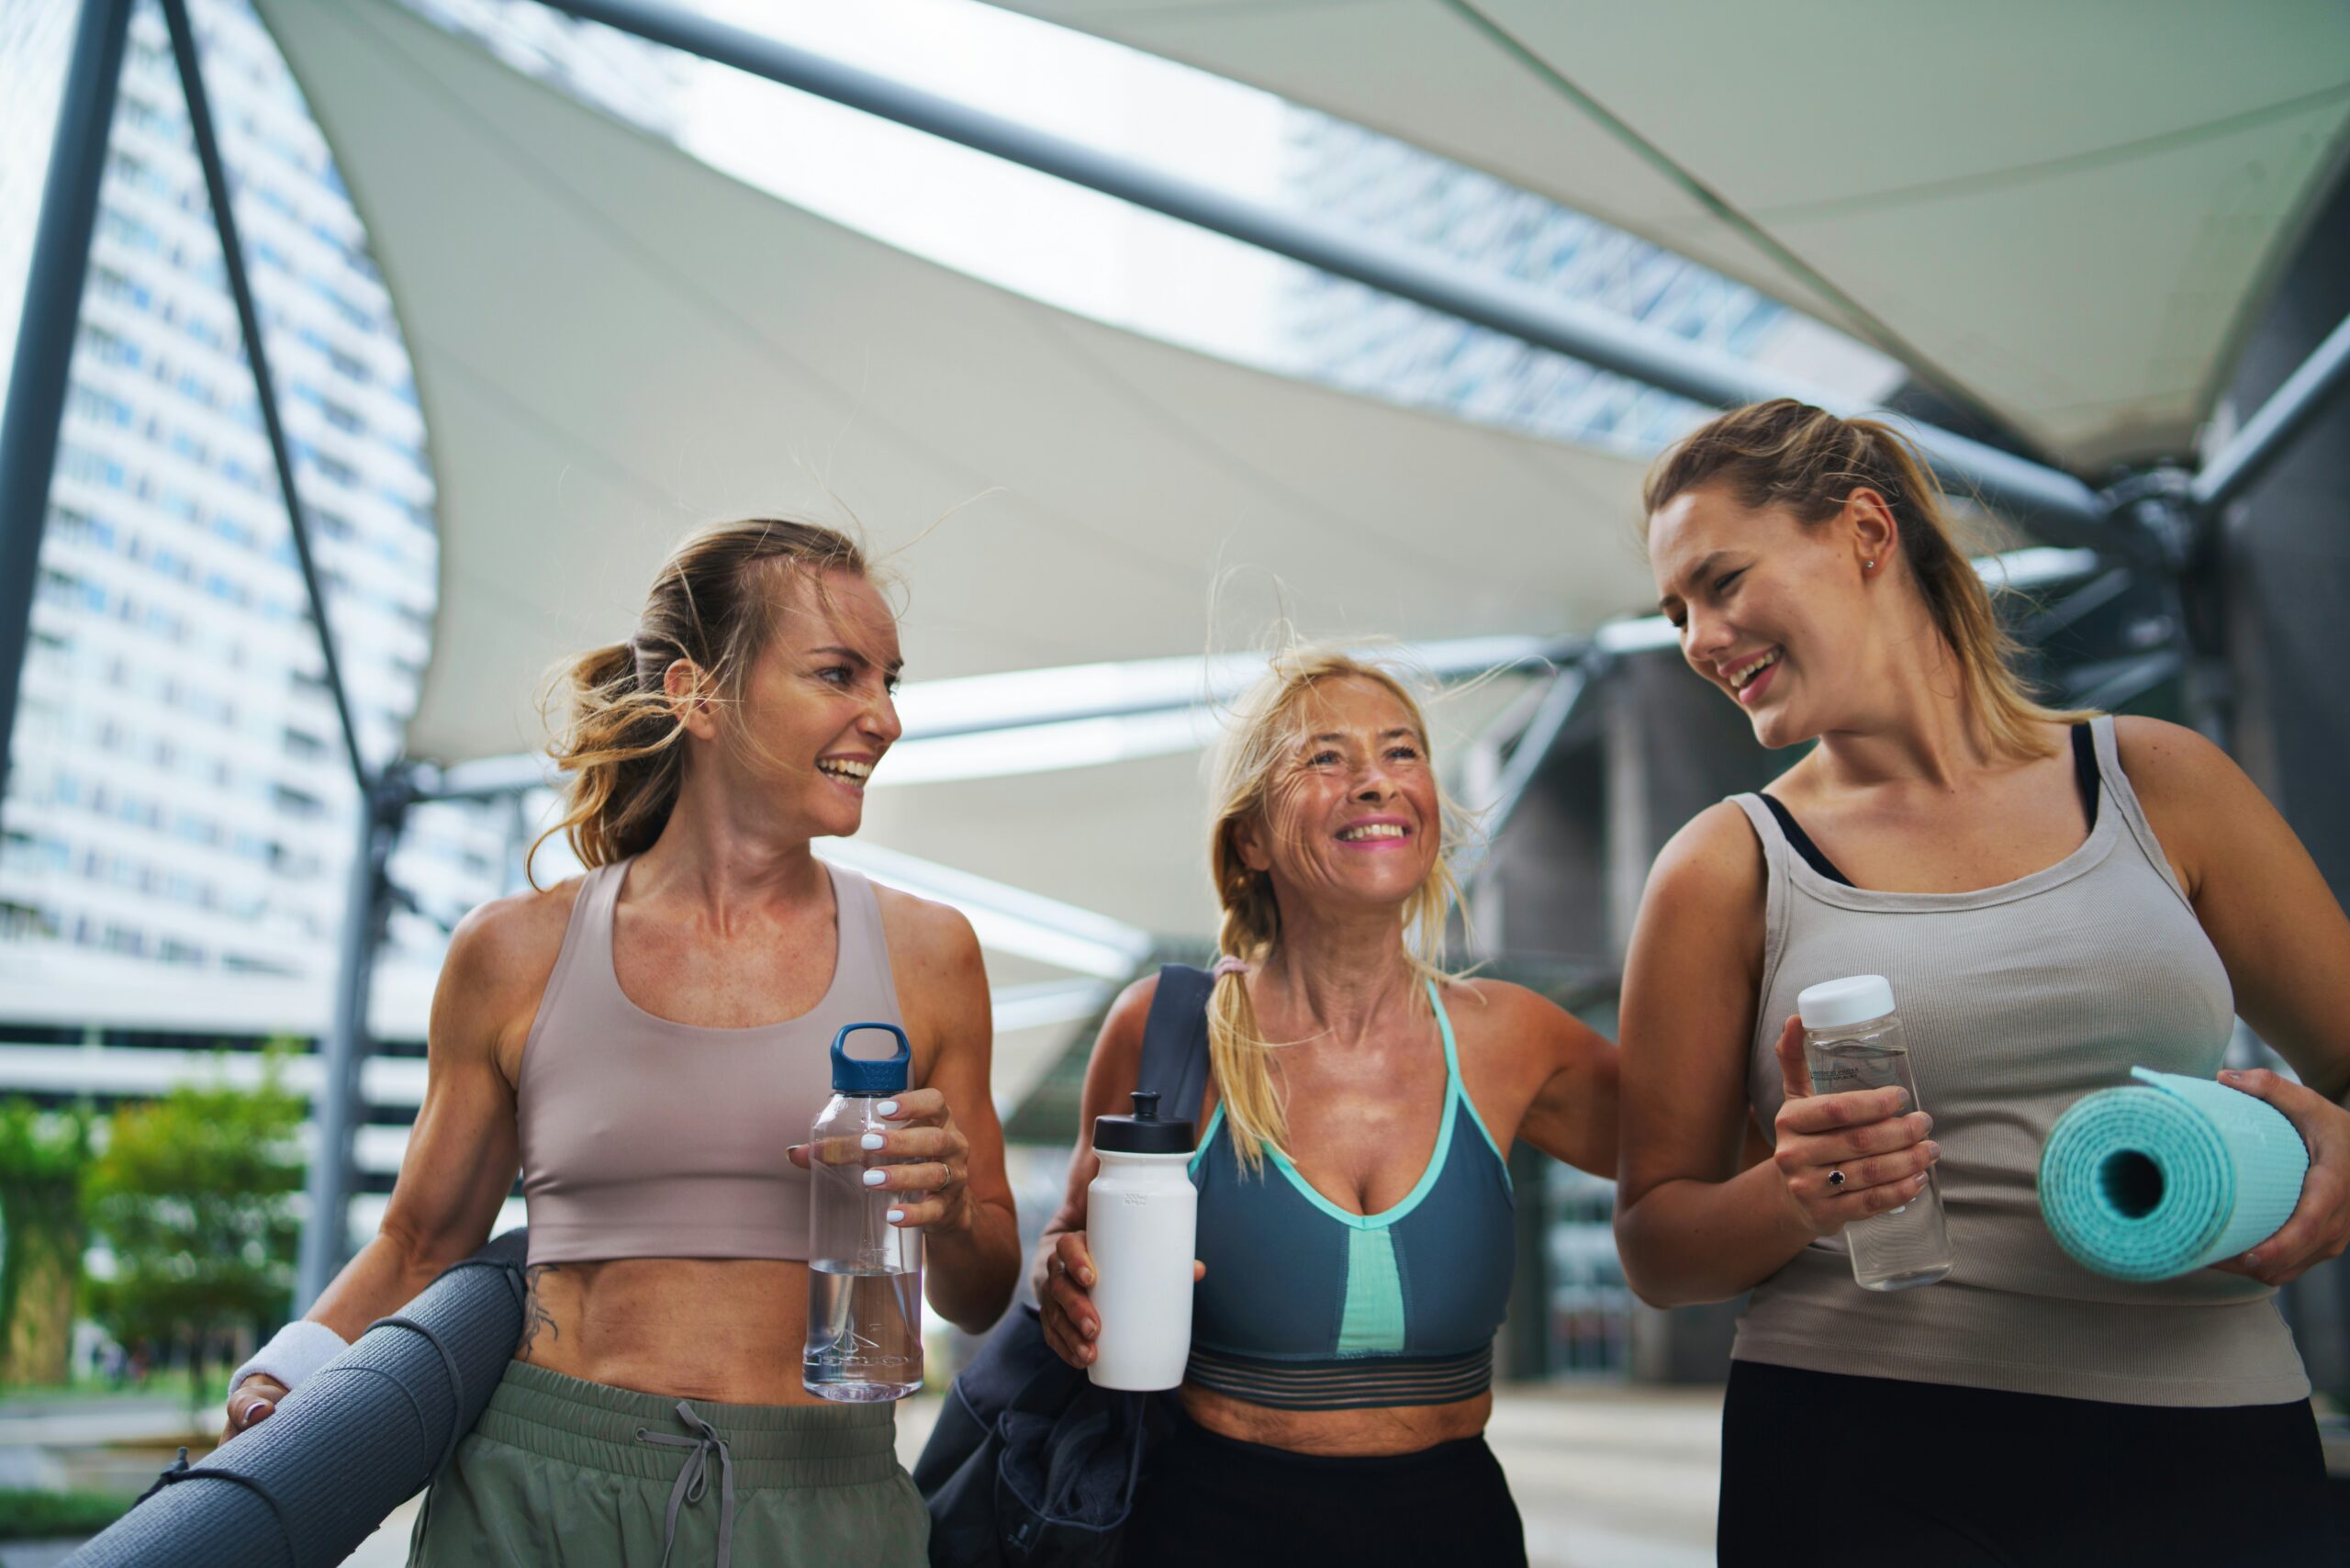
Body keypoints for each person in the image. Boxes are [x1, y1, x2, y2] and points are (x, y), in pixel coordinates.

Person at [1614, 399, 2348, 1564]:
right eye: (1675, 611)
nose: (1700, 637)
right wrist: (1797, 1191)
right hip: (1860, 1453)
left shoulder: (2159, 781)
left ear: (1863, 532)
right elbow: (1657, 1243)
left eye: (1720, 581)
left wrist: (2339, 1144)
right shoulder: (1722, 865)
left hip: (2213, 1437)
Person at [221, 519, 1020, 1565]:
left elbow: (983, 1290)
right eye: (839, 674)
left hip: (823, 1498)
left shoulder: (931, 956)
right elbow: (420, 1240)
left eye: (890, 682)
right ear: (697, 694)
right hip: (537, 1494)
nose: (882, 718)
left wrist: (952, 1208)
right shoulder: (512, 953)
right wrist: (285, 1373)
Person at [1035, 646, 1618, 1566]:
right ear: (1252, 839)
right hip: (1212, 1524)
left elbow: (1701, 1156)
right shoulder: (1169, 1028)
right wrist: (1059, 1279)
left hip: (1452, 1524)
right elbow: (1066, 1237)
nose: (1374, 783)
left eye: (1400, 752)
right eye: (1324, 758)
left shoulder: (1512, 1038)